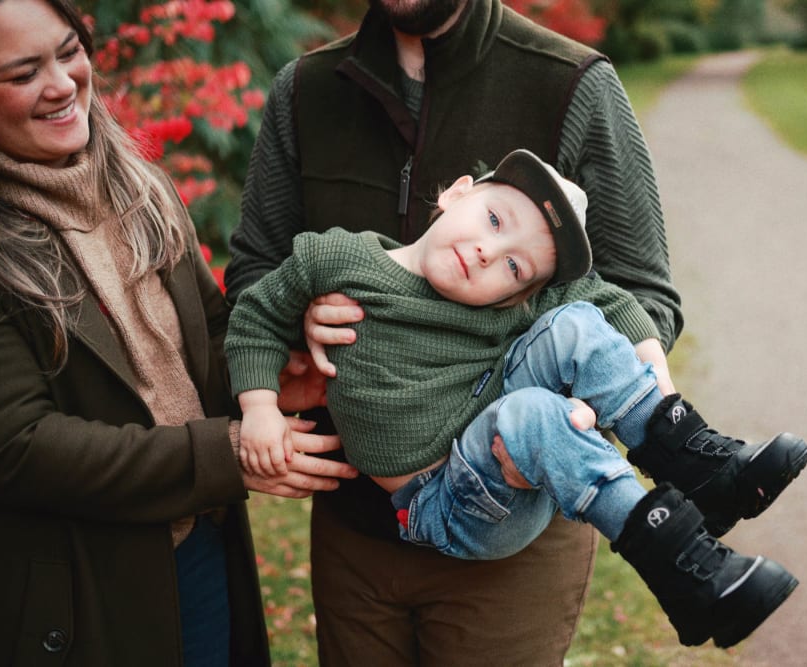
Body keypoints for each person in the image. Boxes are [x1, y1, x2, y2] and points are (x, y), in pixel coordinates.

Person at [221, 0, 746, 663]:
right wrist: (299, 323)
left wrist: (572, 414)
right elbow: (257, 276)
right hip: (355, 527)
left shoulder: (573, 82)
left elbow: (640, 292)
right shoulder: (307, 89)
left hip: (512, 526)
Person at [226, 149, 807, 649]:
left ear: (517, 292)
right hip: (442, 501)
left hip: (502, 474)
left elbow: (596, 295)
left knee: (575, 324)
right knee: (533, 412)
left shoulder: (504, 302)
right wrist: (258, 408)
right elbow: (255, 314)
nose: (487, 251)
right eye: (494, 219)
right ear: (458, 194)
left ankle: (695, 475)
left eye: (514, 265)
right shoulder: (338, 261)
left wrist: (657, 374)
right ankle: (682, 564)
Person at [0, 0, 356, 665]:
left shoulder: (138, 187)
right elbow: (18, 445)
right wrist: (223, 454)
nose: (62, 83)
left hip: (194, 548)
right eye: (23, 72)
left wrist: (268, 381)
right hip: (79, 587)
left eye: (69, 52)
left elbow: (203, 335)